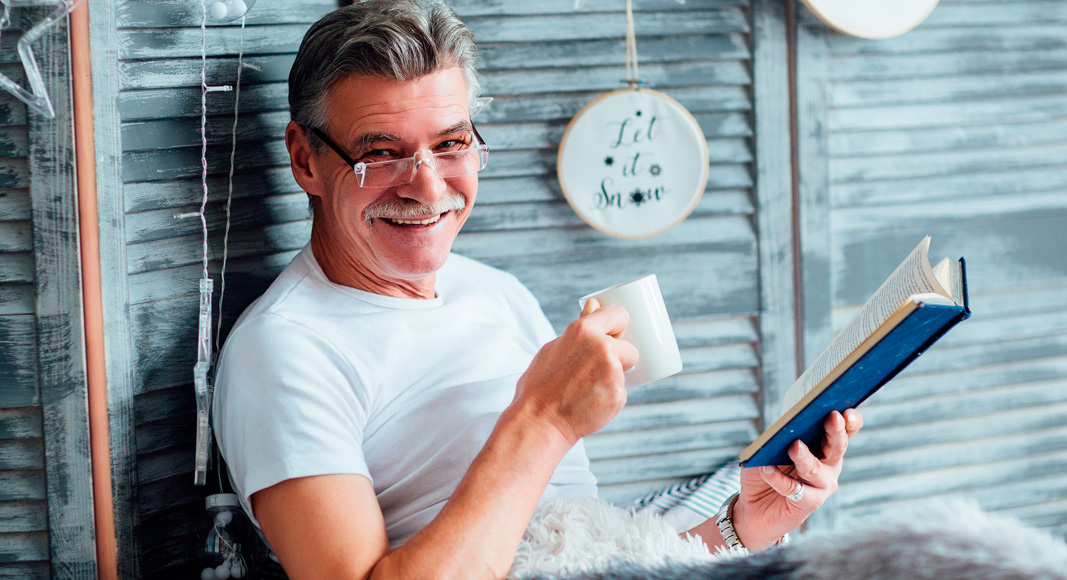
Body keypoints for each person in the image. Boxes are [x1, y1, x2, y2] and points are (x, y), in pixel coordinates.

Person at [212, 1, 864, 578]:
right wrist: (542, 420)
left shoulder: (497, 294)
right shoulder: (285, 353)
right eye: (379, 154)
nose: (429, 187)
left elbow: (580, 549)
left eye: (451, 143)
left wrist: (743, 524)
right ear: (305, 160)